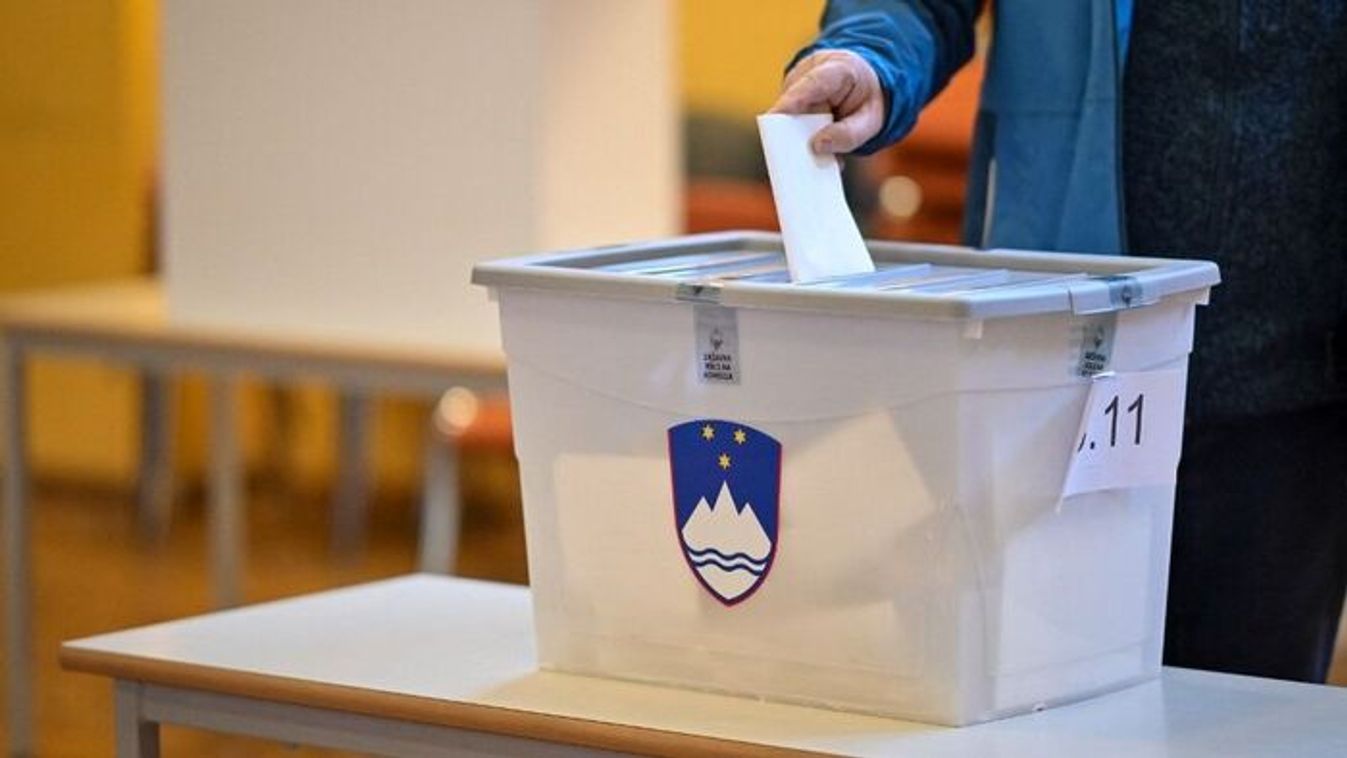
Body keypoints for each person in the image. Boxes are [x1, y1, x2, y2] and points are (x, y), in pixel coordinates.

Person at [771, 0, 1347, 683]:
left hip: (1297, 401)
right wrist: (869, 59)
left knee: (1253, 714)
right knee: (1037, 699)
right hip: (1057, 366)